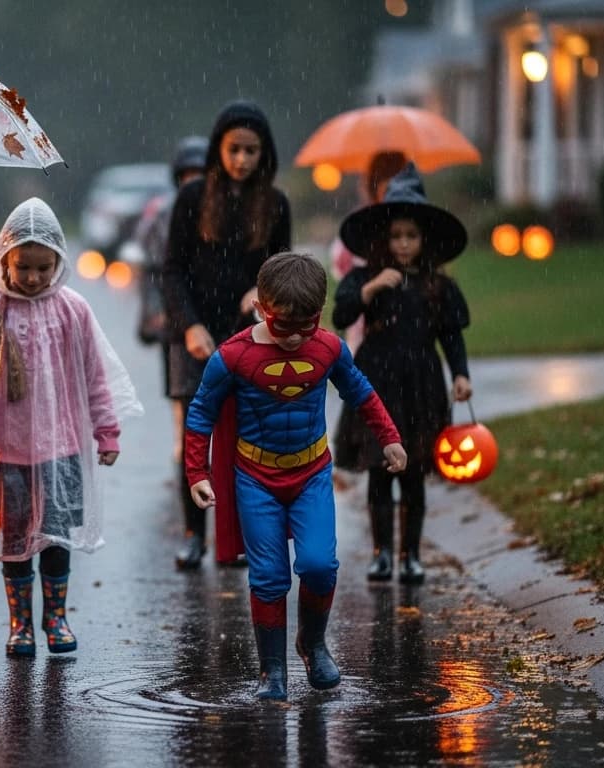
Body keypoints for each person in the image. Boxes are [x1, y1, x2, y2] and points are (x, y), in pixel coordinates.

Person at [184, 252, 406, 699]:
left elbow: (360, 391)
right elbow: (201, 413)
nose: (294, 337)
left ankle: (313, 643)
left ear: (319, 314)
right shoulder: (232, 356)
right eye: (283, 325)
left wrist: (390, 437)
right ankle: (272, 671)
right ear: (262, 309)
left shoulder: (327, 347)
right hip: (255, 478)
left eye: (306, 324)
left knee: (320, 565)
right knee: (268, 576)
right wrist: (196, 472)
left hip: (311, 474)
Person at [0, 197, 142, 657]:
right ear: (4, 260)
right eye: (22, 266)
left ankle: (56, 617)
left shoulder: (72, 310)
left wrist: (106, 430)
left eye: (43, 267)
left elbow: (94, 374)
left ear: (59, 263)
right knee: (14, 542)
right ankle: (20, 624)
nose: (31, 277)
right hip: (4, 452)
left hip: (62, 449)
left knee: (56, 535)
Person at [163, 101, 292, 567]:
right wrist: (190, 325)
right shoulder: (193, 198)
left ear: (265, 154)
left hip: (250, 335)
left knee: (247, 439)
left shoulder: (275, 204)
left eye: (251, 151)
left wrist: (262, 290)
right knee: (195, 437)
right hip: (193, 332)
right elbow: (172, 270)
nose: (242, 159)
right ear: (219, 149)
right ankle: (194, 534)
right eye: (234, 149)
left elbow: (285, 270)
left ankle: (236, 538)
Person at [332, 164, 473, 585]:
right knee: (381, 468)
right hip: (376, 383)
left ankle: (411, 555)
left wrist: (460, 374)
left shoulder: (437, 285)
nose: (404, 244)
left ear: (423, 239)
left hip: (422, 384)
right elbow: (341, 313)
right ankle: (381, 553)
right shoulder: (363, 277)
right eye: (396, 237)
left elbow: (451, 336)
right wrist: (371, 288)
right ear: (383, 240)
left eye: (411, 236)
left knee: (413, 472)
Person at [129, 135, 211, 570]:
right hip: (176, 329)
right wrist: (153, 318)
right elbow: (154, 273)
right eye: (188, 176)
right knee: (187, 416)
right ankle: (193, 525)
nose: (194, 182)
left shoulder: (222, 211)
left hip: (212, 324)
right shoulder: (164, 214)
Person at [330, 150, 409, 492]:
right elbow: (342, 268)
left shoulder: (410, 228)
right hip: (367, 335)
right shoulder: (360, 228)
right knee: (373, 410)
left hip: (408, 347)